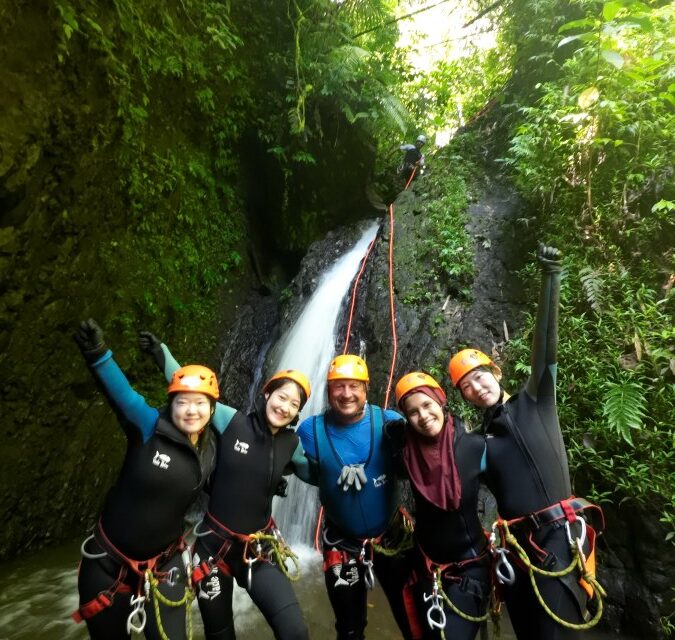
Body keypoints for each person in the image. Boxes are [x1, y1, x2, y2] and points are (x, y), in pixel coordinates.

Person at [449, 245, 604, 639]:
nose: (477, 386)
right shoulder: (478, 443)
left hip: (558, 538)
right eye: (467, 386)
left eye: (480, 376)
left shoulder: (536, 400)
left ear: (496, 373)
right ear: (463, 397)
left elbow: (545, 348)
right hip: (516, 549)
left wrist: (550, 279)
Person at [139, 331, 311, 640]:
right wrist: (160, 352)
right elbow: (195, 395)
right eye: (281, 397)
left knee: (294, 630)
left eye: (293, 404)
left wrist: (344, 470)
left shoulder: (292, 445)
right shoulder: (232, 421)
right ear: (266, 394)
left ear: (298, 413)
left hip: (257, 550)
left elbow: (316, 474)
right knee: (219, 634)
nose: (285, 407)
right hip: (212, 551)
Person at [72, 319, 218, 640]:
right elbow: (123, 395)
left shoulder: (210, 452)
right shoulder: (149, 425)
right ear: (171, 403)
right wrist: (98, 353)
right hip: (108, 564)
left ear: (211, 408)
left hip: (166, 565)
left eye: (200, 403)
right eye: (182, 402)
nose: (191, 411)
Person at [296, 354, 413, 640]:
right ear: (329, 390)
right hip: (342, 544)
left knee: (413, 619)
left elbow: (422, 463)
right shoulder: (310, 431)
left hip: (392, 538)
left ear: (366, 388)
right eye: (339, 387)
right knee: (348, 628)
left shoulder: (390, 423)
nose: (346, 394)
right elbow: (299, 466)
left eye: (354, 386)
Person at [391, 371, 490, 640]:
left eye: (427, 405)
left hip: (469, 568)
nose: (423, 416)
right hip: (425, 566)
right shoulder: (406, 454)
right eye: (413, 412)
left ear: (440, 401)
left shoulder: (474, 447)